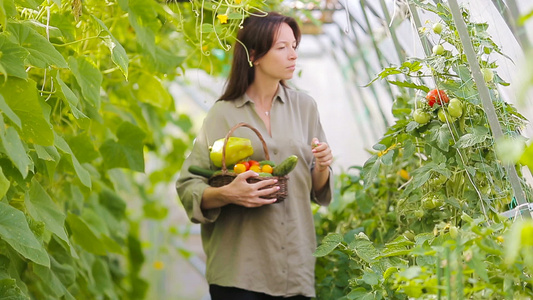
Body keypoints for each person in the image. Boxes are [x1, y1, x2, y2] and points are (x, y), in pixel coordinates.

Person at [176, 11, 333, 300]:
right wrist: (228, 194)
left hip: (294, 269)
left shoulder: (305, 107)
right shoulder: (222, 114)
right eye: (282, 47)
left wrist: (322, 166)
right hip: (239, 272)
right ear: (255, 56)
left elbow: (316, 189)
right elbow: (188, 186)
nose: (293, 55)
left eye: (294, 46)